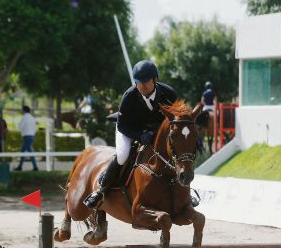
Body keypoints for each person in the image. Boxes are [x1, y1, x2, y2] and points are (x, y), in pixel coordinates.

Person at [83, 59, 178, 209]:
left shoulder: (169, 94)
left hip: (155, 132)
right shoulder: (129, 96)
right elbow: (122, 125)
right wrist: (140, 136)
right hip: (129, 129)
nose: (141, 85)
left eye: (145, 81)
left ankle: (185, 191)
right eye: (138, 82)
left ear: (155, 79)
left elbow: (176, 119)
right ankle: (101, 190)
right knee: (122, 155)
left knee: (174, 153)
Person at [15, 105, 39, 171]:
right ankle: (20, 166)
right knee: (23, 151)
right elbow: (35, 128)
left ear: (24, 110)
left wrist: (22, 132)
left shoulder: (24, 118)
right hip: (32, 136)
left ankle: (35, 167)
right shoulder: (32, 118)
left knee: (30, 152)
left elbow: (20, 127)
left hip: (26, 137)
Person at [200, 81, 216, 154]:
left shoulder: (204, 92)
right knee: (217, 116)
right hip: (212, 107)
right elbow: (215, 100)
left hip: (206, 107)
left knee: (200, 116)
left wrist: (205, 104)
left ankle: (200, 126)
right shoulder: (213, 92)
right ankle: (217, 125)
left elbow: (202, 101)